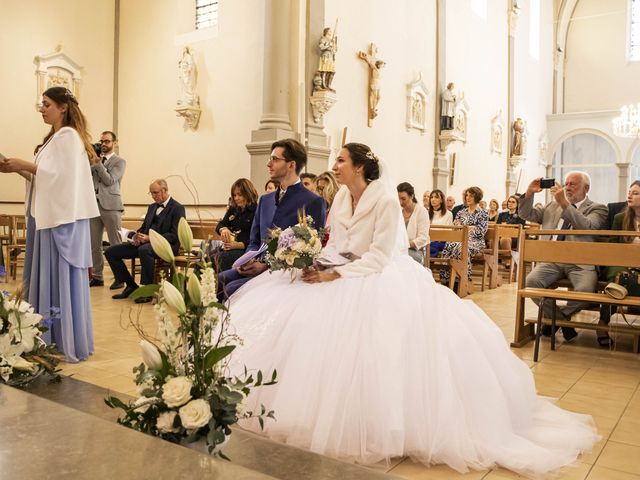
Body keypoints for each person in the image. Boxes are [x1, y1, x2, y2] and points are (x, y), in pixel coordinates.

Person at [227, 142, 598, 477]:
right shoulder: (340, 198)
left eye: (341, 160)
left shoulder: (386, 201)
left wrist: (336, 275)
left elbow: (379, 255)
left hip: (379, 273)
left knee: (379, 343)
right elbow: (338, 242)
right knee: (299, 317)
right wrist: (318, 265)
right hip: (340, 267)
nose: (334, 166)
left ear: (359, 167)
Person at [0, 86, 99, 362]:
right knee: (47, 277)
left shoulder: (67, 136)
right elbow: (46, 179)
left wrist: (25, 163)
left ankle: (57, 338)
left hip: (59, 222)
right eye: (41, 105)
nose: (42, 109)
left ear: (62, 107)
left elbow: (62, 179)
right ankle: (45, 335)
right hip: (47, 217)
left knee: (58, 277)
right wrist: (17, 168)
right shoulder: (54, 139)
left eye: (46, 104)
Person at [217, 139, 326, 300]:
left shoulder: (313, 201)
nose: (268, 164)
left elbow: (311, 251)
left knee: (232, 289)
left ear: (291, 165)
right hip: (255, 265)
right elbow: (254, 240)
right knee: (219, 280)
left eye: (274, 159)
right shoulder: (265, 200)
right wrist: (248, 260)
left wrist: (265, 265)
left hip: (283, 272)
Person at [518, 172, 608, 341]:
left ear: (586, 188)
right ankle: (561, 320)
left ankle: (553, 321)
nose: (567, 187)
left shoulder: (597, 208)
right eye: (566, 183)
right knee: (531, 284)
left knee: (585, 293)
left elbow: (587, 227)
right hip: (551, 260)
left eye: (572, 184)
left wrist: (564, 203)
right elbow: (526, 214)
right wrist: (529, 193)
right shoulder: (552, 206)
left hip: (581, 263)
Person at [105, 179, 185, 304]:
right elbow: (144, 227)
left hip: (165, 246)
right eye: (151, 193)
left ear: (164, 191)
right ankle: (131, 285)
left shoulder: (177, 208)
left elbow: (174, 235)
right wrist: (136, 236)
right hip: (145, 243)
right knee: (111, 252)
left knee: (144, 250)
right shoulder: (152, 207)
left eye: (155, 193)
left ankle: (147, 291)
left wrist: (151, 238)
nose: (153, 196)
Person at [598, 180, 640, 347]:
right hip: (621, 263)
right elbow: (613, 246)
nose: (629, 195)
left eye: (635, 193)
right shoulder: (620, 217)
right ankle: (602, 325)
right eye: (629, 192)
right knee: (617, 279)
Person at [89, 130, 126, 289]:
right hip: (93, 206)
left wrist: (98, 164)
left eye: (107, 141)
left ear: (115, 143)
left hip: (111, 206)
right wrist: (91, 162)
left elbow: (110, 180)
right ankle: (97, 277)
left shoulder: (119, 161)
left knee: (115, 244)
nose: (104, 144)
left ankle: (120, 277)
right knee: (94, 244)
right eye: (102, 141)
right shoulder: (94, 161)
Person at [440, 187, 488, 286]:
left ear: (477, 197)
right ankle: (447, 278)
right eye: (467, 195)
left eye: (471, 196)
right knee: (448, 246)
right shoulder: (461, 212)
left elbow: (481, 231)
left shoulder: (483, 213)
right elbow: (455, 227)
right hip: (460, 239)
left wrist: (465, 228)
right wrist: (470, 227)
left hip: (476, 241)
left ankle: (463, 279)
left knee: (460, 248)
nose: (468, 198)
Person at [214, 179, 258, 272]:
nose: (236, 198)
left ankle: (216, 285)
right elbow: (220, 224)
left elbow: (258, 238)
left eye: (240, 195)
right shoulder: (233, 209)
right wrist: (223, 229)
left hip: (245, 251)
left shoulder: (256, 210)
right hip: (230, 248)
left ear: (248, 193)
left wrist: (239, 245)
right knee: (204, 258)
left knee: (217, 260)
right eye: (234, 195)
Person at [397, 182, 430, 264]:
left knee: (398, 258)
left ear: (411, 196)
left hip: (415, 251)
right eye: (398, 199)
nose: (400, 202)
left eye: (403, 199)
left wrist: (404, 245)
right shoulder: (398, 212)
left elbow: (423, 238)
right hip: (399, 249)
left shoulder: (422, 212)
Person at [428, 189, 453, 258]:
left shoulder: (448, 214)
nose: (433, 199)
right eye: (431, 197)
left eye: (436, 197)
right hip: (429, 240)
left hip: (442, 242)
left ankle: (428, 265)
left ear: (441, 200)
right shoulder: (427, 213)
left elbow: (448, 232)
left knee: (432, 246)